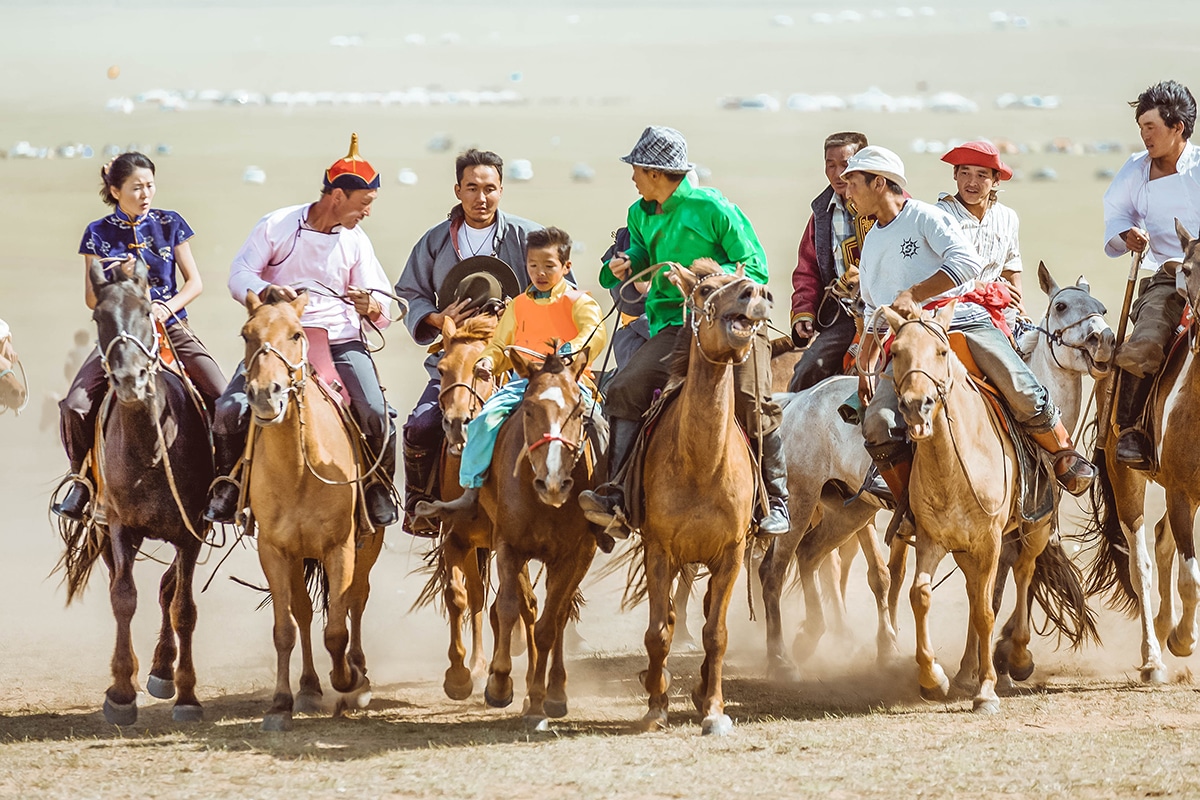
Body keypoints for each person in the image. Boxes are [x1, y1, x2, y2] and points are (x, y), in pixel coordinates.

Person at [843, 146, 1095, 533]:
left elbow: (966, 263)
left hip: (962, 321)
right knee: (876, 422)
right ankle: (912, 508)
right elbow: (874, 310)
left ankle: (1063, 456)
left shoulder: (924, 216)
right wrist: (866, 365)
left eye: (853, 183)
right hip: (911, 341)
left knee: (1019, 384)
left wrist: (917, 292)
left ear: (879, 183)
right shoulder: (873, 240)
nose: (847, 192)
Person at [577, 125, 790, 536]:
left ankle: (776, 501)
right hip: (674, 327)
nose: (632, 177)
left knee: (750, 399)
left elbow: (756, 267)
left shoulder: (712, 208)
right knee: (624, 388)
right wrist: (624, 264)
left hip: (731, 324)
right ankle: (618, 497)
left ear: (656, 173)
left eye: (636, 169)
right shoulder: (639, 213)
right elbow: (637, 253)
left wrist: (701, 278)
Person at [203, 134, 398, 527]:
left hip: (339, 340)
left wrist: (371, 306)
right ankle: (228, 484)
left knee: (378, 413)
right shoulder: (277, 225)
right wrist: (265, 290)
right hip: (277, 340)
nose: (367, 213)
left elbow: (385, 303)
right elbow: (239, 274)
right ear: (338, 196)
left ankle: (377, 487)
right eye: (364, 204)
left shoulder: (356, 242)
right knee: (229, 410)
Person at [53, 152, 227, 521]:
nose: (145, 193)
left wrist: (166, 307)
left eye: (150, 185)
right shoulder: (97, 234)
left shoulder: (171, 223)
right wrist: (112, 275)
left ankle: (226, 483)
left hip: (170, 326)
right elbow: (90, 297)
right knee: (75, 405)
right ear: (115, 190)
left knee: (224, 396)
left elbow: (195, 282)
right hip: (120, 333)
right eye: (136, 187)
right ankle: (82, 481)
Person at [394, 148, 542, 535]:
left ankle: (561, 509)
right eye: (472, 188)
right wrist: (436, 318)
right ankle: (418, 506)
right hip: (456, 363)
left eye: (490, 189)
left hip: (515, 363)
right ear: (457, 190)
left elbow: (560, 290)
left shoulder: (527, 237)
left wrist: (522, 316)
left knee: (556, 425)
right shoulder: (435, 242)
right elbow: (410, 291)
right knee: (422, 426)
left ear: (502, 190)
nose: (482, 198)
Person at [439, 226, 607, 511]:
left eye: (548, 266)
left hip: (570, 384)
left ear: (566, 267)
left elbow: (595, 333)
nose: (540, 273)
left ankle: (604, 495)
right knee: (484, 420)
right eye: (533, 266)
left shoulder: (580, 302)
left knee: (600, 426)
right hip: (524, 383)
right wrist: (488, 361)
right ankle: (470, 489)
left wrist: (570, 350)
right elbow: (500, 346)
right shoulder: (517, 306)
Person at [1102, 80, 1200, 468]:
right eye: (1141, 127)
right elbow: (1116, 212)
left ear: (1177, 127)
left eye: (1151, 127)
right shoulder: (1136, 170)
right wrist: (1128, 233)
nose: (1144, 136)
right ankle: (1131, 431)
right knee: (1144, 343)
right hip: (1168, 273)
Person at [789, 131, 874, 392]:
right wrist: (803, 311)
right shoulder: (821, 214)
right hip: (844, 316)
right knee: (806, 371)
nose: (838, 174)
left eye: (845, 165)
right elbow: (807, 271)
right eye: (830, 165)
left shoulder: (891, 203)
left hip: (888, 312)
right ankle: (779, 432)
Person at [936, 140, 1025, 328]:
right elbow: (930, 270)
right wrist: (980, 287)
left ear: (996, 179)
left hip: (1000, 308)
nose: (971, 182)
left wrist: (1021, 308)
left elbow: (1011, 266)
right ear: (955, 174)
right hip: (951, 309)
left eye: (981, 175)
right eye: (965, 173)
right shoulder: (939, 216)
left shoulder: (1008, 217)